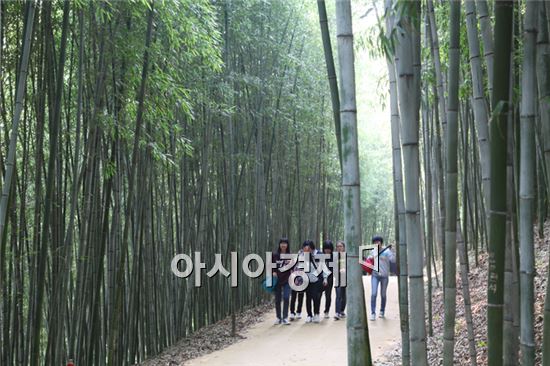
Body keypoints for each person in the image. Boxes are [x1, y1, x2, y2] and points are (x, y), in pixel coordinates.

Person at [368, 235, 395, 321]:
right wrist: (370, 259)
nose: (376, 243)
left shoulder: (387, 251)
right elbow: (368, 261)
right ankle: (373, 313)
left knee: (383, 294)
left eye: (378, 241)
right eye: (375, 242)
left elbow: (393, 260)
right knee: (373, 294)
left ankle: (382, 311)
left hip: (384, 276)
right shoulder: (373, 251)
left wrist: (392, 250)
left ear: (381, 242)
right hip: (375, 275)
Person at [300, 240, 327, 323]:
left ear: (311, 248)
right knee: (308, 297)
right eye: (304, 249)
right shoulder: (303, 255)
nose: (306, 251)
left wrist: (325, 278)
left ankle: (316, 314)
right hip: (307, 279)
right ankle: (309, 315)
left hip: (317, 279)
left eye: (307, 249)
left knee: (316, 297)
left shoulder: (319, 254)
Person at [272, 238, 292, 325]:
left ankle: (285, 317)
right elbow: (272, 265)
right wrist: (273, 272)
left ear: (287, 245)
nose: (283, 245)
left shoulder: (290, 255)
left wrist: (290, 263)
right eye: (282, 243)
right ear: (279, 245)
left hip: (287, 279)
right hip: (277, 279)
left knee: (286, 297)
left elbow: (294, 267)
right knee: (277, 299)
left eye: (285, 243)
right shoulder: (275, 255)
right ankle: (278, 317)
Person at [319, 240, 334, 318]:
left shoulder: (333, 257)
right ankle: (316, 312)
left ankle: (326, 311)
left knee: (328, 295)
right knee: (318, 295)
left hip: (330, 278)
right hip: (320, 278)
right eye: (326, 248)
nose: (327, 250)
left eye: (329, 248)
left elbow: (333, 269)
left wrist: (327, 278)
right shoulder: (321, 257)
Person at [334, 240, 347, 320]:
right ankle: (337, 312)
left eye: (340, 246)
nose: (339, 248)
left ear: (344, 247)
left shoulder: (347, 256)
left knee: (343, 295)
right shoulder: (334, 256)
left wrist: (345, 270)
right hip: (338, 278)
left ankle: (342, 310)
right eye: (338, 246)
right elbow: (333, 267)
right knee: (338, 295)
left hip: (345, 278)